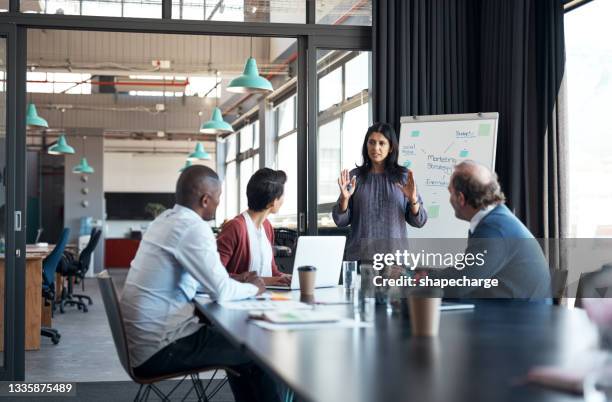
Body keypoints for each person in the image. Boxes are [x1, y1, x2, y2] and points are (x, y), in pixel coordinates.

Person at [120, 165, 280, 402]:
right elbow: (222, 292)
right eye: (218, 199)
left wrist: (235, 277)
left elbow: (199, 280)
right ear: (206, 199)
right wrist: (255, 287)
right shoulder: (193, 228)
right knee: (257, 349)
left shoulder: (164, 220)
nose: (218, 204)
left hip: (142, 343)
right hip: (161, 348)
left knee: (239, 341)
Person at [429, 160, 551, 299]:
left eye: (450, 192)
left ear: (461, 198)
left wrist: (417, 279)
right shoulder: (496, 219)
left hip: (521, 317)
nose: (449, 198)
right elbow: (467, 272)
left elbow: (459, 284)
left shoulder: (494, 230)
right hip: (511, 310)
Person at [332, 122, 428, 261]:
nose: (375, 148)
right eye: (371, 142)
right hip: (361, 258)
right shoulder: (355, 177)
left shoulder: (404, 177)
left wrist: (413, 200)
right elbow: (340, 221)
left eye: (382, 143)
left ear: (390, 148)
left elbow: (419, 222)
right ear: (366, 145)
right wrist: (344, 199)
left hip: (395, 261)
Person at [217, 168, 292, 286]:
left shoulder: (267, 227)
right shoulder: (235, 227)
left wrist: (284, 277)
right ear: (273, 202)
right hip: (240, 299)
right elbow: (215, 275)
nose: (284, 198)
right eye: (282, 195)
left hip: (267, 298)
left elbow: (272, 271)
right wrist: (266, 281)